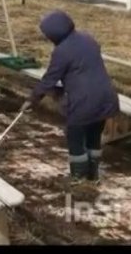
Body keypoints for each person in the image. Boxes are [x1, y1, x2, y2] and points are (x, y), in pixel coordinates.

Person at [29, 10, 120, 182]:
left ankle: (79, 178)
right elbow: (81, 70)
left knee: (76, 139)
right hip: (106, 98)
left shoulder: (62, 51)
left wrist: (32, 99)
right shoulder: (88, 39)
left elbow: (49, 79)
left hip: (84, 103)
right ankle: (93, 175)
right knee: (94, 137)